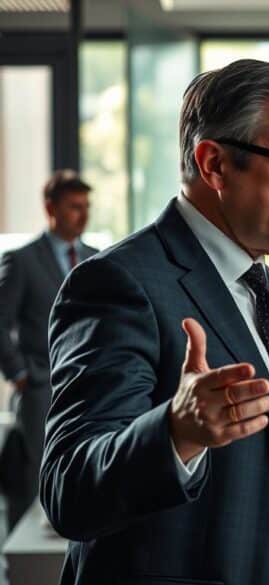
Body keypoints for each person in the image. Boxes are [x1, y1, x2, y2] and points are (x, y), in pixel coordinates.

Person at [42, 59, 269, 585]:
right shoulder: (118, 284)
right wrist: (175, 432)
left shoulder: (263, 281)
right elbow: (69, 491)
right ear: (214, 165)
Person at [0, 169, 96, 530]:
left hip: (89, 387)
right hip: (40, 387)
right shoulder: (22, 260)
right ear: (50, 208)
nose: (83, 215)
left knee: (83, 476)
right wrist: (20, 375)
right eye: (74, 207)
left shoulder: (97, 257)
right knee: (36, 481)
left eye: (87, 206)